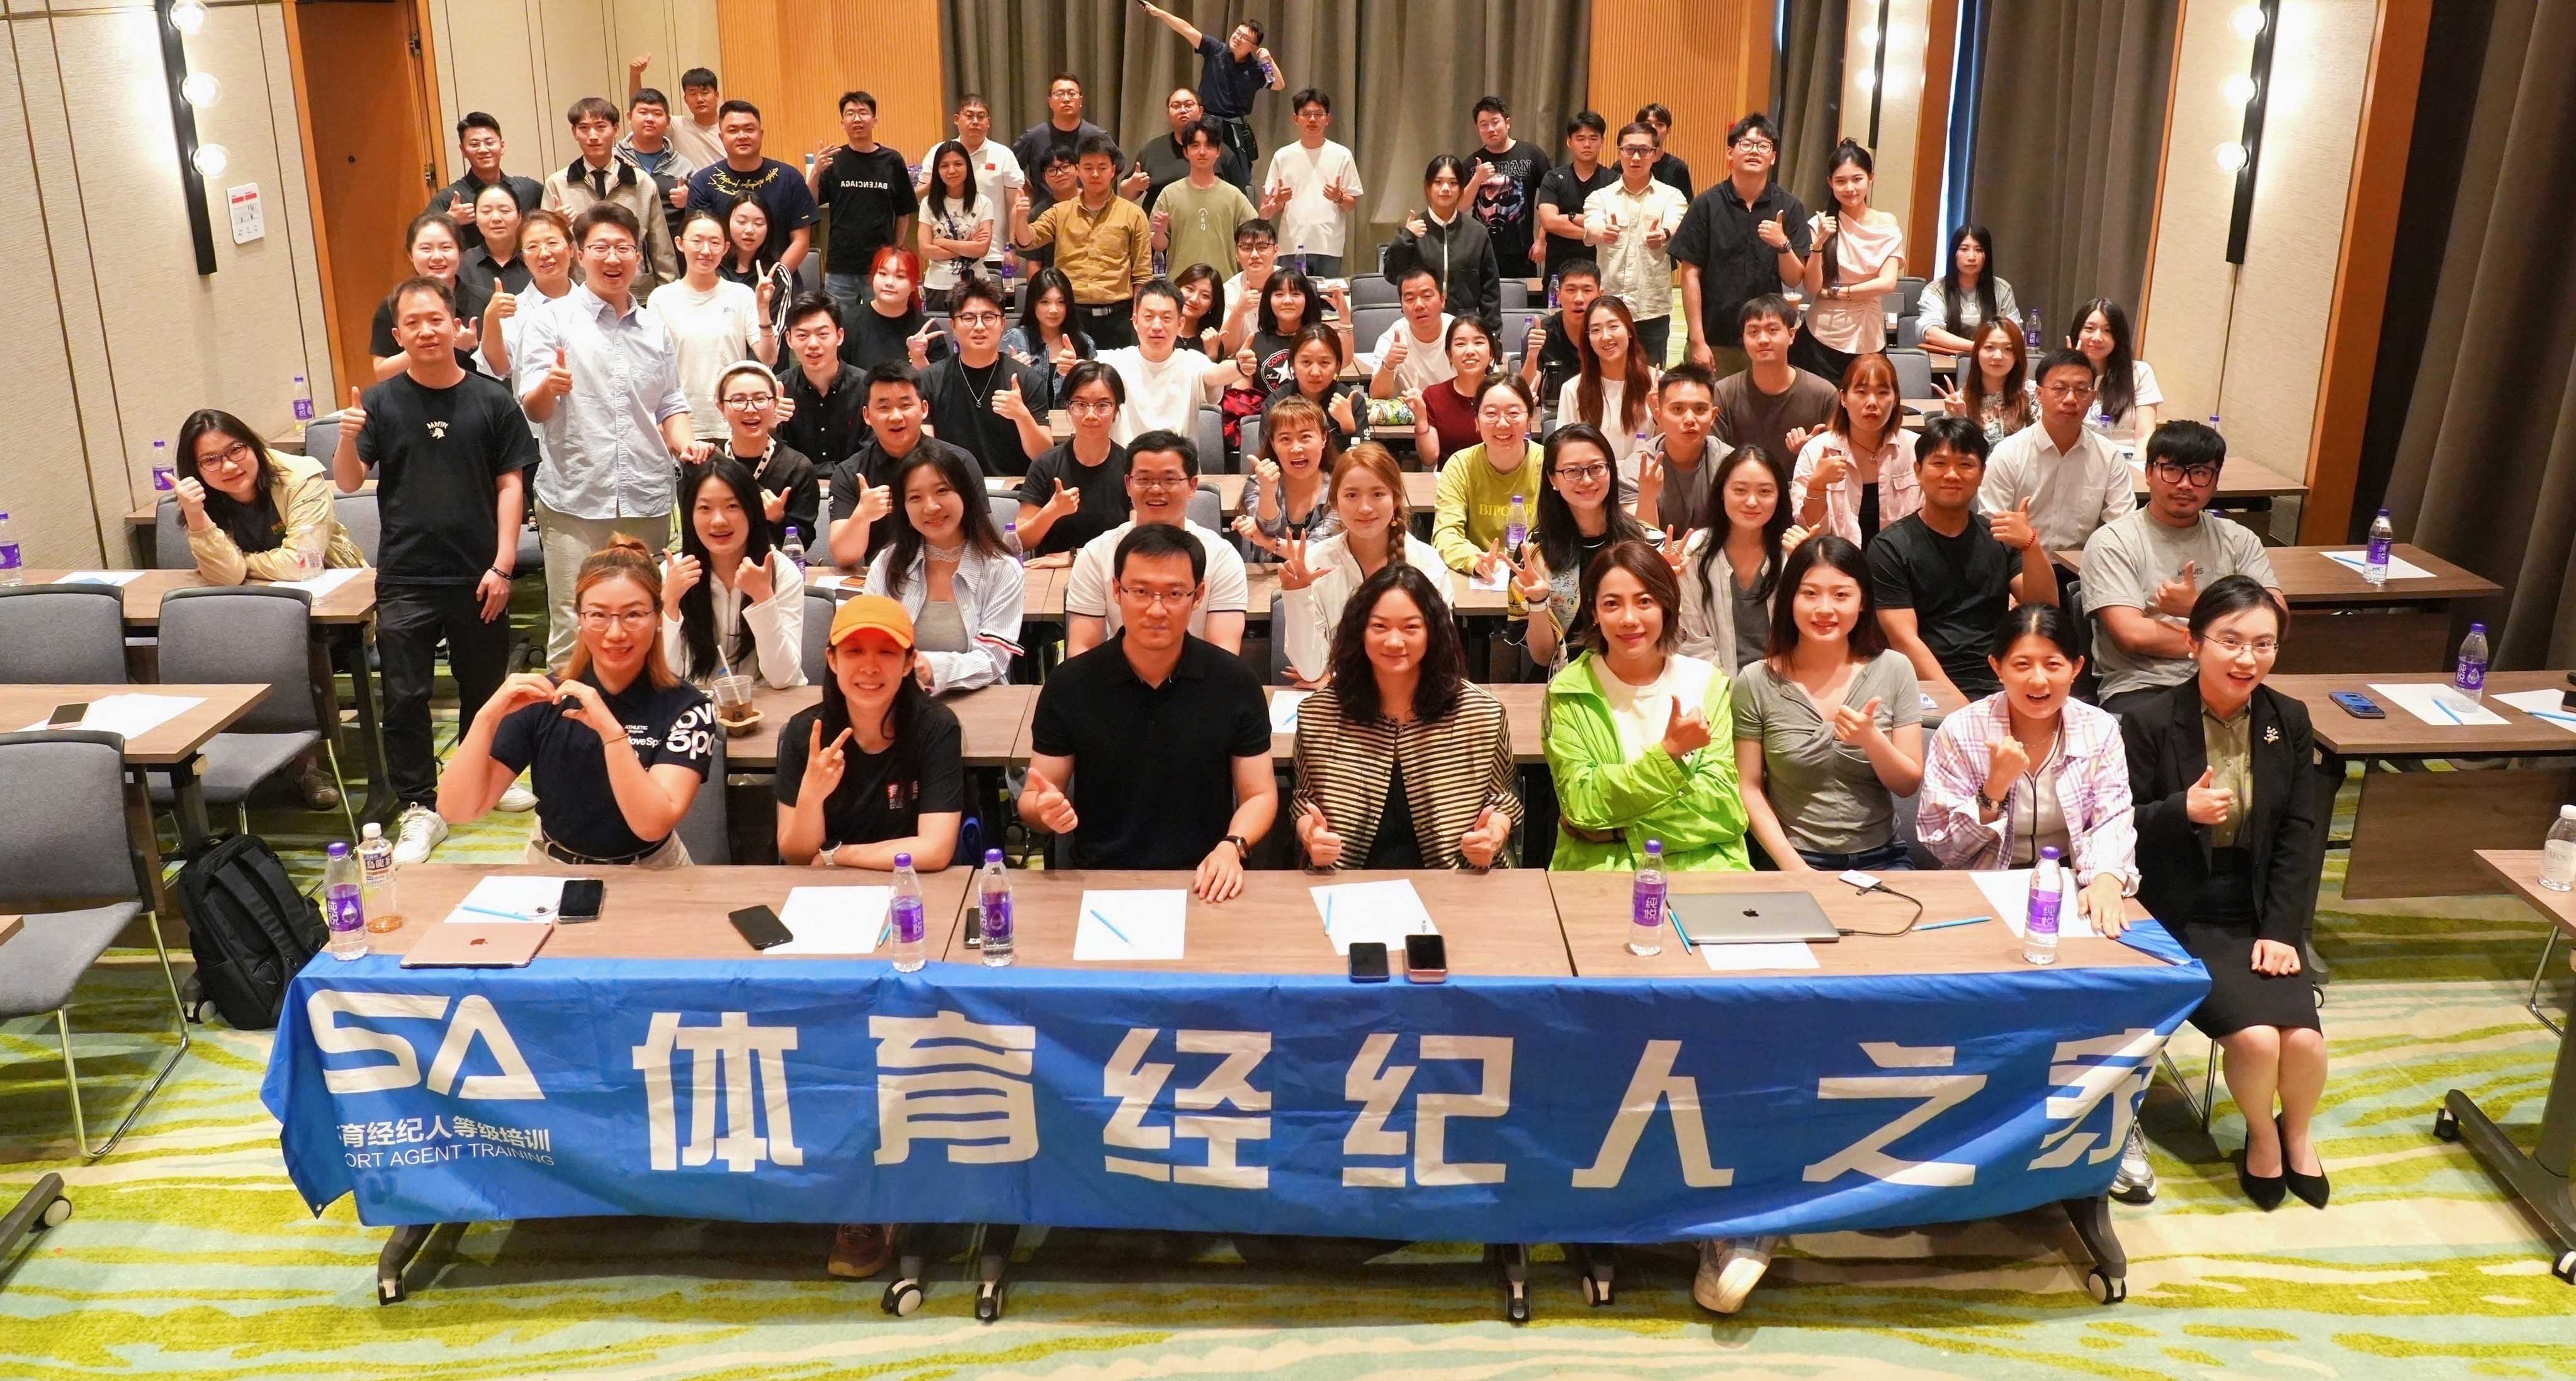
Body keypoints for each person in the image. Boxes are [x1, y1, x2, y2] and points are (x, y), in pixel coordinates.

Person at [2121, 576, 2329, 1210]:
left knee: (2305, 1041)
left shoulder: (2288, 719)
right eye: (2231, 641)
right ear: (2194, 643)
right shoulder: (2149, 720)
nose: (2248, 658)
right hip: (2182, 908)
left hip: (2260, 907)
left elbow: (2300, 833)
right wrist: (2180, 810)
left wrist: (2282, 930)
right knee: (2259, 1039)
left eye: (2264, 645)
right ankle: (2261, 1137)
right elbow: (2117, 823)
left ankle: (2297, 1135)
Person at [336, 278, 533, 860]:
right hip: (406, 575)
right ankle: (420, 807)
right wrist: (348, 438)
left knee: (485, 689)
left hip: (480, 573)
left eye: (435, 319)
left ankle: (487, 777)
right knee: (404, 697)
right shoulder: (380, 402)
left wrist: (503, 566)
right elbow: (347, 481)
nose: (426, 331)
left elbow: (511, 485)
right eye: (413, 323)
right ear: (398, 335)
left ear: (456, 326)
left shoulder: (492, 400)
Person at [1023, 522, 1275, 902]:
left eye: (1174, 593)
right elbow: (1034, 795)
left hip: (1206, 880)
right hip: (1101, 882)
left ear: (1198, 595)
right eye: (1140, 592)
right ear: (1116, 591)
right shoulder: (1070, 684)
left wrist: (1232, 845)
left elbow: (1259, 794)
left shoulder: (1235, 682)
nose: (1156, 610)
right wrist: (1042, 811)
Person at [438, 537, 712, 868]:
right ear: (579, 617)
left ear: (657, 618)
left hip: (652, 868)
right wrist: (486, 717)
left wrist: (611, 731)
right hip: (552, 864)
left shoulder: (689, 708)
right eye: (598, 615)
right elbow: (457, 810)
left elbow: (651, 825)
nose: (615, 633)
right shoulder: (544, 697)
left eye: (633, 614)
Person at [515, 203, 711, 668]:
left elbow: (670, 404)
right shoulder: (550, 320)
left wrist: (686, 442)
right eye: (601, 247)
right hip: (575, 499)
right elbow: (533, 409)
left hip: (646, 497)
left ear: (639, 256)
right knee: (576, 625)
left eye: (624, 248)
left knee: (645, 622)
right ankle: (571, 713)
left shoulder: (654, 328)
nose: (613, 258)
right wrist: (549, 387)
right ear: (579, 254)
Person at [1542, 539, 1750, 871]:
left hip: (1706, 868)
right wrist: (1669, 754)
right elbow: (1583, 802)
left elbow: (1723, 808)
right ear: (1594, 613)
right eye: (1612, 604)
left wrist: (1620, 831)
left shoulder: (1706, 682)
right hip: (1601, 871)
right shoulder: (1569, 690)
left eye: (1644, 602)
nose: (1629, 619)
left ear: (1667, 606)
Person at [1293, 564, 1520, 867]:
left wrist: (1494, 834)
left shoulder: (1481, 714)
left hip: (1454, 879)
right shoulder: (1319, 714)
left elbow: (1501, 799)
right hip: (1347, 881)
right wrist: (1310, 835)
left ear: (1433, 632)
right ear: (1360, 631)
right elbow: (1305, 800)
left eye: (1411, 628)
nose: (1394, 642)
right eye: (1379, 626)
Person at [1917, 600, 2138, 893]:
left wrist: (2106, 879)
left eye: (2053, 665)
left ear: (2076, 668)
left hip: (2070, 878)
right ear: (1998, 667)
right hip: (1982, 880)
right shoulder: (1961, 730)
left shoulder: (2099, 728)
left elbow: (2112, 820)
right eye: (2022, 665)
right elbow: (1943, 846)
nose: (2038, 680)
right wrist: (1994, 788)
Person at [1732, 534, 1923, 871]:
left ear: (1862, 601)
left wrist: (1872, 740)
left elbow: (1907, 785)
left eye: (1841, 595)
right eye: (1810, 594)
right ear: (1790, 599)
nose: (1824, 609)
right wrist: (1797, 870)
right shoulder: (1755, 681)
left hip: (1882, 859)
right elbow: (1748, 787)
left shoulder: (1895, 669)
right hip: (1792, 860)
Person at [2082, 420, 2281, 718]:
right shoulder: (2114, 541)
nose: (2185, 484)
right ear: (2148, 473)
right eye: (2172, 470)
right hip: (2146, 686)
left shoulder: (2238, 539)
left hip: (2234, 680)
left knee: (2291, 720)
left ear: (2215, 480)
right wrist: (2234, 642)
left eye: (2200, 473)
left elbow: (2277, 617)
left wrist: (2196, 608)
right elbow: (2133, 634)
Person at [1870, 417, 2057, 702]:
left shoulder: (1999, 537)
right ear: (1918, 471)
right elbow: (1905, 641)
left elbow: (2045, 610)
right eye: (1939, 463)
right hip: (1925, 689)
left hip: (2002, 678)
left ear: (1982, 474)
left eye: (1965, 465)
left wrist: (2030, 544)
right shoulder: (1890, 547)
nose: (1952, 475)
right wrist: (1961, 707)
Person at [776, 592, 964, 870]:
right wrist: (811, 798)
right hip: (826, 888)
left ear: (909, 663)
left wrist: (837, 856)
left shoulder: (936, 728)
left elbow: (935, 850)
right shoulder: (806, 733)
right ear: (832, 659)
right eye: (854, 652)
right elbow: (797, 857)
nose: (870, 668)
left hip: (912, 885)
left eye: (887, 653)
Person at [1063, 431, 1248, 655]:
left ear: (1192, 486)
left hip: (1199, 674)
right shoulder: (1096, 554)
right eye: (1144, 480)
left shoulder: (1222, 557)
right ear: (1128, 484)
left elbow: (1223, 653)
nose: (1156, 490)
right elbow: (1082, 648)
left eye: (1169, 480)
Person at [1280, 443, 1447, 684]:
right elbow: (1311, 670)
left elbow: (1437, 658)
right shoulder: (1314, 562)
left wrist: (1335, 680)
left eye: (1378, 494)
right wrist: (1297, 595)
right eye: (1352, 495)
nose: (1365, 508)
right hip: (1342, 701)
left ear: (1395, 499)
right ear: (1335, 502)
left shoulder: (1427, 563)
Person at [866, 445, 1025, 694]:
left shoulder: (1002, 569)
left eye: (942, 491)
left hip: (981, 701)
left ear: (965, 495)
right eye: (915, 498)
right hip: (900, 701)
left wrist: (930, 668)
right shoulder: (886, 564)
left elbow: (993, 660)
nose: (931, 507)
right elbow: (870, 641)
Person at [1672, 113, 1814, 378]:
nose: (1754, 151)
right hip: (1714, 339)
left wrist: (1782, 245)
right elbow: (1690, 275)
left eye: (1763, 145)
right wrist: (1698, 341)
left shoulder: (1790, 206)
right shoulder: (1706, 204)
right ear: (1730, 152)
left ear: (1773, 157)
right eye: (1746, 144)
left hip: (1766, 338)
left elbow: (1795, 278)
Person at [177, 407, 364, 589]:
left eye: (236, 450)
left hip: (331, 590)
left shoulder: (300, 476)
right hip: (249, 599)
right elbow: (227, 577)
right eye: (210, 460)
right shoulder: (195, 497)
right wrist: (195, 514)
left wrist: (239, 564)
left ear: (253, 445)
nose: (229, 467)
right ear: (196, 470)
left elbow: (304, 565)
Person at [1515, 424, 1651, 671]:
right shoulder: (1534, 551)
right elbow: (1543, 658)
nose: (1587, 480)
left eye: (1597, 468)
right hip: (1563, 679)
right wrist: (1538, 602)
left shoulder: (1645, 542)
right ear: (1553, 479)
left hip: (1634, 676)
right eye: (1572, 471)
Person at [660, 458, 802, 688]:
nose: (718, 521)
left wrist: (763, 599)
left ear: (752, 511)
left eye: (732, 506)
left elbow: (782, 678)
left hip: (769, 700)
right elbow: (666, 678)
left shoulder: (782, 571)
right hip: (699, 703)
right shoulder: (673, 573)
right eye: (705, 508)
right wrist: (670, 602)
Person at [1980, 347, 2137, 555]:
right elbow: (1992, 527)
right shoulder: (2008, 453)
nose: (2071, 399)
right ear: (2039, 394)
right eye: (2060, 388)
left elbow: (2122, 527)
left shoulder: (2109, 456)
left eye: (2081, 390)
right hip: (2019, 563)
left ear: (2092, 397)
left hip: (2082, 566)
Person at [825, 362, 980, 570]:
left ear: (924, 409)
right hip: (884, 580)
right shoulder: (851, 473)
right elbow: (845, 557)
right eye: (884, 407)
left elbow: (980, 536)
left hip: (954, 575)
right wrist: (862, 516)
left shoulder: (959, 462)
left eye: (905, 405)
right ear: (867, 416)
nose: (896, 416)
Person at [1010, 135, 1153, 351]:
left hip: (1119, 317)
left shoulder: (1133, 214)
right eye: (1088, 168)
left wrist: (1139, 312)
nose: (1095, 174)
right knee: (1071, 370)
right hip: (1071, 315)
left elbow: (1142, 273)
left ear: (1113, 171)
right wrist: (1021, 218)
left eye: (1102, 168)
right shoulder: (1061, 211)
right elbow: (1028, 241)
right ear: (1078, 170)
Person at [648, 208, 776, 440]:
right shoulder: (661, 298)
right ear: (680, 243)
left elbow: (768, 358)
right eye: (697, 241)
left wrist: (764, 310)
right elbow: (653, 367)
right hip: (681, 422)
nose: (706, 251)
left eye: (715, 243)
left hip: (733, 420)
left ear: (725, 248)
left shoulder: (741, 295)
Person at [1675, 441, 1795, 670]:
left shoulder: (1791, 551)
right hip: (1713, 682)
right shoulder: (1695, 550)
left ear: (1780, 496)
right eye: (1740, 490)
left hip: (1784, 680)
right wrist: (1726, 686)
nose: (1752, 502)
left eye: (1765, 491)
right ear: (1722, 492)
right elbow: (1691, 641)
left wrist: (1803, 568)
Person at [1793, 140, 1905, 383]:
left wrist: (1837, 292)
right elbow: (1812, 287)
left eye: (1857, 179)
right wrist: (1819, 243)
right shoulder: (1820, 224)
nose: (1850, 188)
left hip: (1869, 336)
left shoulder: (1887, 223)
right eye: (1841, 181)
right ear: (1830, 183)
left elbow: (1887, 283)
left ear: (1871, 178)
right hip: (1821, 336)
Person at [542, 96, 679, 293]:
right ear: (574, 133)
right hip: (579, 292)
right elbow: (546, 247)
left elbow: (662, 248)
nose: (593, 136)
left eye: (601, 127)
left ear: (616, 130)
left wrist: (669, 294)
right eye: (584, 128)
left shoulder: (642, 182)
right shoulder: (557, 184)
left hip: (636, 291)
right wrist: (559, 227)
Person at [1581, 122, 1690, 363]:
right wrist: (1603, 232)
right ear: (1619, 152)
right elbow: (1591, 227)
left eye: (1644, 150)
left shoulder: (1672, 196)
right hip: (1609, 306)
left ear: (1655, 154)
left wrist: (1664, 233)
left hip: (1651, 308)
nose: (1636, 157)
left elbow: (1676, 223)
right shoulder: (1600, 197)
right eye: (1629, 150)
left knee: (1651, 377)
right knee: (1606, 373)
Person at [924, 276, 1054, 478]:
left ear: (1003, 324)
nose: (979, 326)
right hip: (952, 487)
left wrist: (1022, 416)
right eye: (968, 318)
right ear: (953, 326)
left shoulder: (1027, 379)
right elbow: (924, 452)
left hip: (1014, 489)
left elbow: (1044, 456)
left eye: (988, 317)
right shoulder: (930, 380)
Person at [1139, 4, 1282, 181]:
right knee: (1199, 166)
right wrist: (1159, 13)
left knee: (1238, 175)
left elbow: (1278, 85)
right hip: (1206, 121)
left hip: (1235, 128)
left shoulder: (1255, 69)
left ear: (1253, 47)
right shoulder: (1215, 49)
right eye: (1237, 33)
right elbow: (1186, 29)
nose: (1238, 38)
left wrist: (1269, 61)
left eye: (1245, 38)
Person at [1790, 352, 1918, 548]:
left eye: (1883, 393)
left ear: (1895, 400)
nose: (1872, 402)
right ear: (1843, 398)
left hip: (1902, 562)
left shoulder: (1916, 449)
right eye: (1861, 392)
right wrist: (1817, 487)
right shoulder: (1816, 451)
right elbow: (1808, 534)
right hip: (1837, 563)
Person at [808, 90, 917, 316]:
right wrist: (816, 172)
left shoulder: (892, 160)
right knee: (839, 324)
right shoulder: (834, 160)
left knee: (882, 321)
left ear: (874, 120)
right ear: (842, 123)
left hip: (880, 266)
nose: (857, 119)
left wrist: (895, 253)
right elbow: (810, 203)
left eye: (863, 113)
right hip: (840, 266)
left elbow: (903, 212)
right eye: (850, 114)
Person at [1709, 294, 1838, 476]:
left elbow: (1837, 458)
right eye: (1753, 332)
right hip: (1741, 486)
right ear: (1744, 339)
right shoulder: (1724, 392)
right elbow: (1715, 458)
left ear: (1791, 335)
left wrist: (1810, 451)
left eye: (1772, 330)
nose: (1763, 339)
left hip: (1803, 486)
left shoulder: (1824, 394)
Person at [685, 99, 818, 274]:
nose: (742, 136)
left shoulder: (789, 177)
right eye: (733, 130)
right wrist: (725, 286)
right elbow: (702, 242)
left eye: (749, 129)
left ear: (761, 134)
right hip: (720, 282)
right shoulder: (703, 182)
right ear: (721, 137)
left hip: (779, 278)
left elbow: (801, 241)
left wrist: (774, 280)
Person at [1432, 376, 1546, 578]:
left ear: (1529, 419)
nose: (1502, 423)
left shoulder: (1549, 463)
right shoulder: (1461, 465)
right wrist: (1473, 560)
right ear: (1476, 421)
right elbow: (1446, 532)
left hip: (1539, 576)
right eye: (1491, 414)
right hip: (1480, 579)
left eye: (1513, 413)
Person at [1015, 361, 1130, 560]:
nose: (1091, 415)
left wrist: (1074, 557)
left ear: (1116, 410)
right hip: (1050, 574)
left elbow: (1136, 538)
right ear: (1068, 408)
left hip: (1112, 571)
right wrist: (1052, 512)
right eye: (1081, 405)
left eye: (1102, 405)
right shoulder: (1046, 465)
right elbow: (1020, 542)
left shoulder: (1131, 466)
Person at [711, 360, 820, 545]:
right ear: (721, 407)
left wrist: (779, 518)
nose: (750, 409)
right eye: (738, 401)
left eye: (760, 399)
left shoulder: (797, 467)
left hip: (777, 562)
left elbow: (805, 541)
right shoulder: (710, 463)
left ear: (775, 403)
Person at [1383, 155, 1501, 326]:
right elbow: (1392, 276)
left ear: (1461, 188)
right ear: (1428, 187)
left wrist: (1492, 332)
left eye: (1453, 183)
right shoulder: (1412, 230)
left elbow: (1490, 289)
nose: (1445, 189)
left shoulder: (1477, 232)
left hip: (1464, 325)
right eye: (1438, 182)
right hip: (1422, 324)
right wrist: (1406, 238)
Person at [1094, 279, 1216, 444]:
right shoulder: (1115, 361)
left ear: (1180, 324)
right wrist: (1068, 363)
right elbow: (1080, 367)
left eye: (1166, 318)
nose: (1157, 326)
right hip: (1128, 460)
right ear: (1135, 321)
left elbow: (1216, 375)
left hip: (1179, 459)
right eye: (1149, 317)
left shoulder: (1193, 361)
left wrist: (1240, 367)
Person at [1257, 88, 1363, 275]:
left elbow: (1351, 205)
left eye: (1318, 114)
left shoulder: (1342, 155)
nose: (1312, 119)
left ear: (1328, 119)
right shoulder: (1283, 156)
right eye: (1306, 114)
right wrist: (1279, 201)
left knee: (1326, 293)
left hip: (1329, 246)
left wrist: (1338, 197)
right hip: (1292, 245)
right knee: (1290, 291)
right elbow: (1270, 208)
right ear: (1296, 118)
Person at [1559, 296, 1661, 487]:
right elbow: (1564, 451)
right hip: (1592, 486)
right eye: (1596, 330)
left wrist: (1660, 417)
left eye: (1613, 327)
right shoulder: (1573, 389)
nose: (1605, 337)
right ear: (1588, 339)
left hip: (1645, 484)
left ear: (1629, 331)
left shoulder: (1658, 383)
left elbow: (1670, 448)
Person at [370, 213, 485, 381]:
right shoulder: (393, 305)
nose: (437, 257)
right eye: (426, 249)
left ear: (460, 253)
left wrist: (474, 348)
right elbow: (382, 373)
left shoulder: (486, 301)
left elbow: (504, 369)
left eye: (446, 248)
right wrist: (444, 344)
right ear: (410, 254)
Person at [776, 291, 873, 477]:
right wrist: (771, 427)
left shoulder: (868, 387)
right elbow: (775, 458)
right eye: (802, 335)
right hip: (796, 489)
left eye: (822, 334)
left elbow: (872, 453)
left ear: (840, 336)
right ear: (789, 339)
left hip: (855, 486)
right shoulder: (778, 389)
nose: (813, 344)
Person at [1150, 119, 1260, 281]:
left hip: (1224, 286)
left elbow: (1255, 236)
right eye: (1195, 146)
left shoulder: (1234, 195)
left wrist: (1266, 214)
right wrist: (1159, 232)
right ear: (1186, 152)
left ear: (1218, 152)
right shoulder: (1169, 194)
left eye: (1209, 146)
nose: (1202, 152)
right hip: (1180, 286)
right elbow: (1159, 246)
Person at [1233, 394, 1341, 557]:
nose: (1296, 448)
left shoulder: (1339, 488)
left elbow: (1320, 550)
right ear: (1273, 444)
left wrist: (1268, 543)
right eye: (1285, 439)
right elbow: (1267, 528)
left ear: (1324, 439)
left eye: (1305, 437)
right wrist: (1268, 490)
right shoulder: (1259, 482)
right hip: (1265, 572)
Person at [425, 111, 542, 254]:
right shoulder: (449, 198)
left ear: (502, 146)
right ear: (463, 151)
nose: (483, 150)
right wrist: (449, 220)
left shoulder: (528, 189)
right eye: (474, 144)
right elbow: (422, 241)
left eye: (490, 143)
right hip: (470, 268)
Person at [482, 207, 577, 381]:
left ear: (571, 249)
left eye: (552, 243)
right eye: (532, 247)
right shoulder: (515, 309)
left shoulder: (593, 301)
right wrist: (491, 318)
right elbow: (500, 368)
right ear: (524, 258)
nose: (544, 253)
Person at [1465, 95, 1551, 275]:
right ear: (1477, 128)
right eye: (1484, 124)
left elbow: (1550, 201)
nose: (1490, 129)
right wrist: (1477, 179)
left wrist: (1542, 241)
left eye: (1495, 122)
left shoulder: (1532, 155)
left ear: (1508, 123)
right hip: (1481, 252)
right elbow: (1460, 206)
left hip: (1522, 253)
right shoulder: (1472, 162)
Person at [941, 94, 1023, 276]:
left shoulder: (1003, 155)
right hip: (947, 254)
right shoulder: (941, 153)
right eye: (969, 116)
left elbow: (1015, 205)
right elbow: (925, 199)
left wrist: (1012, 247)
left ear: (989, 122)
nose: (975, 121)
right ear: (956, 119)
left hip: (993, 253)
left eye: (981, 116)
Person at [1634, 364, 1722, 535]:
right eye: (1677, 409)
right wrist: (1647, 498)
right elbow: (1641, 539)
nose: (1689, 419)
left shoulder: (1730, 466)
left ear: (1713, 416)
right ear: (1658, 416)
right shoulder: (1638, 466)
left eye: (1700, 409)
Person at [839, 247, 950, 374]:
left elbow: (938, 383)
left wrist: (918, 357)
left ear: (914, 284)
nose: (890, 282)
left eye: (900, 276)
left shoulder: (928, 332)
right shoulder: (849, 324)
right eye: (883, 274)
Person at [1134, 89, 1251, 208]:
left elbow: (1242, 203)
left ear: (1201, 111)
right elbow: (1128, 193)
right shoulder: (1152, 150)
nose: (1183, 110)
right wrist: (1132, 186)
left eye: (1189, 105)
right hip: (1159, 218)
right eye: (1176, 106)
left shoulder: (1222, 152)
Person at [1916, 225, 2021, 358]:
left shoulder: (2002, 289)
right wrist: (1978, 347)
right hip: (1946, 361)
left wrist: (1987, 350)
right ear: (1954, 254)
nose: (1972, 257)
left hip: (1993, 359)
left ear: (1987, 255)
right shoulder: (1936, 289)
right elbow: (1931, 333)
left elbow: (2014, 333)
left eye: (1979, 250)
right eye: (1964, 249)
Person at [1534, 112, 1614, 285]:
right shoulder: (1554, 178)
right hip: (1558, 270)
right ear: (1569, 142)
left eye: (1593, 138)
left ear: (1602, 141)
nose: (1587, 144)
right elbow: (1549, 222)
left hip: (1601, 272)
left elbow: (1611, 225)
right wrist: (1595, 234)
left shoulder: (1613, 181)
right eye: (1580, 139)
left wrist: (1569, 217)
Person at [916, 140, 994, 311]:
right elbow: (925, 250)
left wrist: (941, 242)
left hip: (976, 286)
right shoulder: (928, 204)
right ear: (937, 171)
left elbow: (981, 249)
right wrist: (968, 246)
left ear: (968, 167)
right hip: (938, 287)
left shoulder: (984, 203)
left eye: (958, 164)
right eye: (944, 166)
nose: (951, 171)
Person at [1412, 316, 1500, 466]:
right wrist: (1420, 418)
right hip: (1450, 478)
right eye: (1460, 344)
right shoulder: (1434, 396)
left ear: (1491, 353)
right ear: (1450, 355)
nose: (1470, 351)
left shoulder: (1505, 394)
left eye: (1478, 343)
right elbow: (1429, 458)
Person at [2072, 298, 2162, 442]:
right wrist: (2071, 368)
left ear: (2118, 337)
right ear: (2077, 332)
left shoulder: (2140, 373)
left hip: (2126, 453)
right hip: (2079, 453)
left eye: (2108, 331)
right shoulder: (2062, 375)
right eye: (2089, 329)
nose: (2097, 338)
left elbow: (2145, 436)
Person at [1001, 267, 1095, 405]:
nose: (1053, 310)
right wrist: (1011, 374)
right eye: (1045, 302)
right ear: (1033, 304)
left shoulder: (1085, 342)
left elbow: (1094, 397)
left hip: (1069, 418)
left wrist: (1078, 373)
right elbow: (996, 393)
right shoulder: (1015, 339)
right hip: (1026, 417)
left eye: (1061, 302)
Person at [616, 87, 695, 245]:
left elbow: (699, 214)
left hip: (671, 250)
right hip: (622, 248)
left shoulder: (684, 166)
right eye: (643, 112)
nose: (650, 119)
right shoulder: (613, 160)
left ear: (668, 121)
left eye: (657, 114)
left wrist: (690, 199)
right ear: (630, 117)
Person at [1267, 322, 1364, 448]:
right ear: (1292, 364)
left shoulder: (1352, 401)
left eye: (1324, 362)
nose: (1315, 372)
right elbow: (1269, 453)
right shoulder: (1276, 402)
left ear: (1337, 365)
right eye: (1306, 362)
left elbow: (1364, 457)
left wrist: (1347, 427)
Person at [1365, 266, 1455, 400]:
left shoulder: (1461, 333)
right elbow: (1377, 396)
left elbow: (1484, 385)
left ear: (1442, 300)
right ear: (1402, 306)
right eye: (1410, 299)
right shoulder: (1391, 340)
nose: (1419, 305)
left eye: (1427, 296)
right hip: (1408, 411)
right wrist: (1389, 365)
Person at [1517, 257, 1598, 404]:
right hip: (1553, 413)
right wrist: (1532, 355)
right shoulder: (1542, 332)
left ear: (1600, 295)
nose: (1579, 299)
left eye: (1587, 290)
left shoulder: (1607, 335)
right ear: (1559, 295)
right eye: (1571, 290)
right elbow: (1526, 392)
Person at [1941, 318, 2035, 442]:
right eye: (1990, 347)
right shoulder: (1959, 401)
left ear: (2018, 356)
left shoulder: (2034, 394)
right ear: (1977, 352)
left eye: (2008, 349)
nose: (1998, 356)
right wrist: (1961, 420)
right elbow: (1954, 451)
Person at [1010, 73, 1113, 183]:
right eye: (1060, 94)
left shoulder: (1098, 136)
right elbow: (1009, 169)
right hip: (1045, 195)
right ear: (1050, 102)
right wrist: (1029, 191)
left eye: (1072, 94)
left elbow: (1116, 167)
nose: (1066, 99)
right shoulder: (1034, 137)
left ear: (1080, 101)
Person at [714, 196, 795, 318]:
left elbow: (778, 328)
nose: (750, 230)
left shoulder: (777, 275)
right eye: (741, 222)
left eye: (758, 224)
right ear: (727, 223)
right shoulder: (713, 267)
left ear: (768, 229)